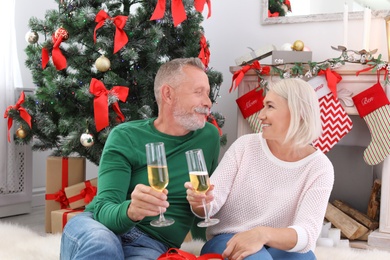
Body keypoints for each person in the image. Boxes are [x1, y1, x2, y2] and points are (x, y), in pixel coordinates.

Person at [60, 57, 221, 260]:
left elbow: (205, 205)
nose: (208, 102)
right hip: (98, 227)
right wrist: (131, 211)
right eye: (198, 92)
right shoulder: (126, 136)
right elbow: (103, 209)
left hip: (151, 244)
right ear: (168, 94)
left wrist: (203, 245)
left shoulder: (208, 137)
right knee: (103, 247)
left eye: (207, 93)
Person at [185, 78, 334, 260]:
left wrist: (262, 234)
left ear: (298, 113)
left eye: (270, 106)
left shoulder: (319, 167)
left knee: (304, 258)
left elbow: (307, 234)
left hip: (277, 243)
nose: (261, 115)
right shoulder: (245, 146)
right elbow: (211, 203)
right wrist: (201, 202)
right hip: (228, 238)